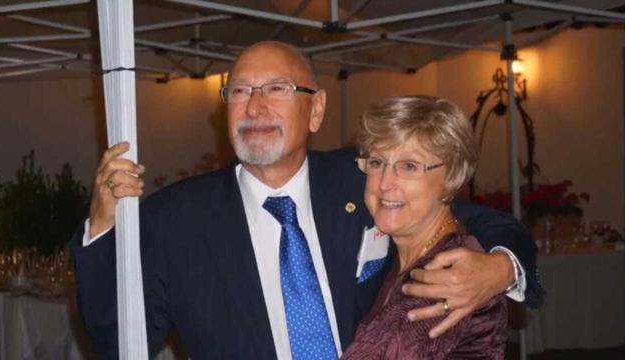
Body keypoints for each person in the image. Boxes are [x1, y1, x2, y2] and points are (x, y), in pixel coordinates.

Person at [72, 41, 543, 359]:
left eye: (277, 89)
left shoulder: (367, 180)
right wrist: (103, 228)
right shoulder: (173, 219)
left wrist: (500, 268)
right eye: (240, 91)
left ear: (316, 109)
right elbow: (121, 343)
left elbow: (487, 222)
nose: (255, 106)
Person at [342, 95, 507, 359]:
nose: (384, 183)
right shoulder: (397, 258)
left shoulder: (450, 277)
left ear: (452, 176)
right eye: (376, 163)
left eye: (408, 166)